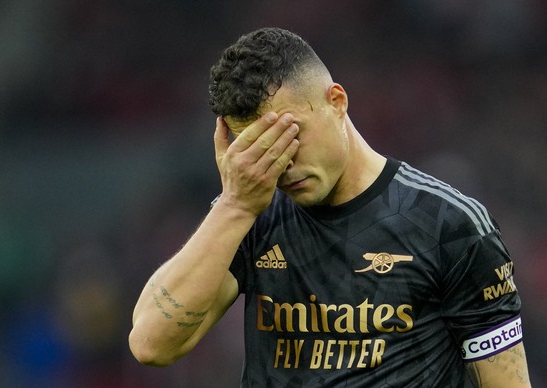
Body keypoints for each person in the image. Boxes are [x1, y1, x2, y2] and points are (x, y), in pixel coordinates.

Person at [129, 27, 531, 387]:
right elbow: (152, 344)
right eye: (258, 147)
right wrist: (233, 206)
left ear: (336, 101)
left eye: (290, 136)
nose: (280, 163)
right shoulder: (250, 213)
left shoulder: (451, 225)